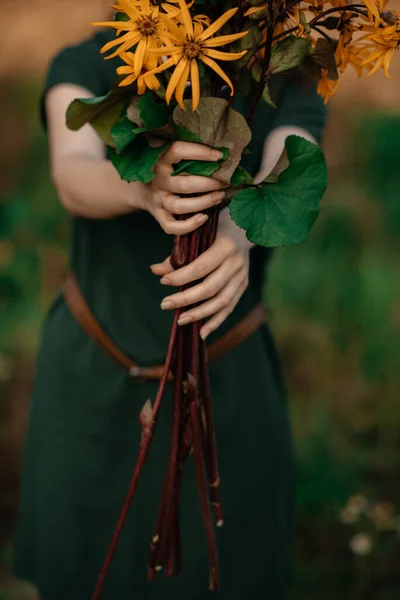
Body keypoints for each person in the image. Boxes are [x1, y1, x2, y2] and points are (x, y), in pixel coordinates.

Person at [13, 13, 327, 600]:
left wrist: (238, 233)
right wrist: (140, 188)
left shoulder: (281, 72)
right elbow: (72, 171)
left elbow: (290, 158)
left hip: (226, 386)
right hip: (93, 382)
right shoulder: (88, 61)